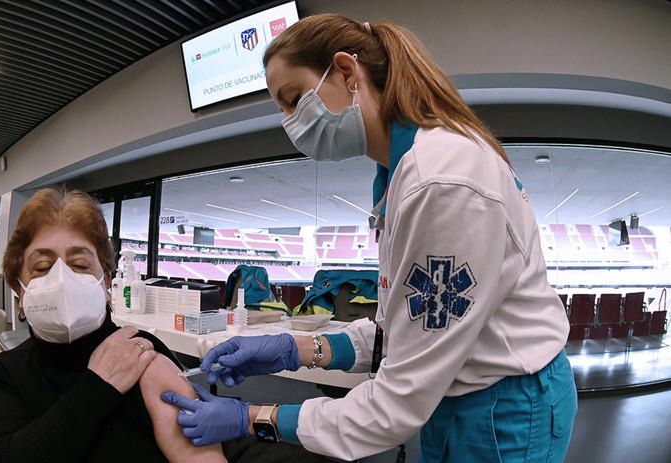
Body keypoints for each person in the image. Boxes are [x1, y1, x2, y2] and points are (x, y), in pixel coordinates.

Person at [162, 14, 577, 463]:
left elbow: (399, 399)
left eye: (294, 99)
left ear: (345, 71)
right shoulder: (400, 175)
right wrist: (294, 349)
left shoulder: (441, 182)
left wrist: (253, 419)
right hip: (461, 395)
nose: (289, 122)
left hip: (504, 407)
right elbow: (402, 332)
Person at [0, 188, 328, 463]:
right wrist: (97, 387)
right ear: (18, 290)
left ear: (107, 283)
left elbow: (204, 453)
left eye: (79, 264)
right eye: (42, 268)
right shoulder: (7, 371)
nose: (62, 280)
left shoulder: (142, 352)